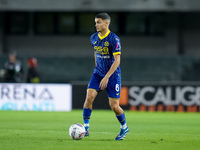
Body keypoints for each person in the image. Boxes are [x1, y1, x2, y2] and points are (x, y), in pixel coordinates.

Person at [83, 12, 129, 140]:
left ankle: (124, 127)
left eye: (98, 22)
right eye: (95, 22)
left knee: (114, 106)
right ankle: (85, 128)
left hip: (113, 76)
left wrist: (107, 76)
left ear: (106, 23)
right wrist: (97, 67)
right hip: (98, 73)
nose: (96, 25)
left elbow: (117, 61)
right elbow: (96, 52)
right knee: (89, 97)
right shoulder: (93, 37)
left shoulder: (114, 39)